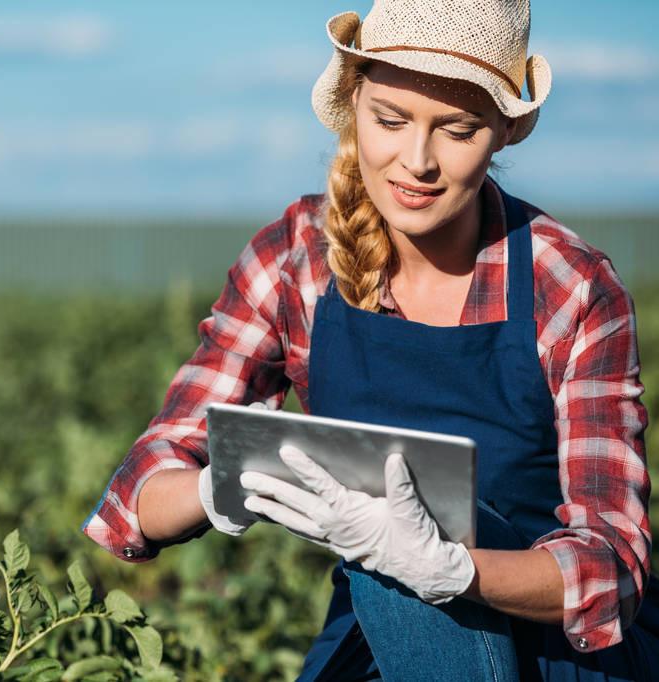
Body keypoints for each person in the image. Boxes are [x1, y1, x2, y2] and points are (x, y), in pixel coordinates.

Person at [81, 1, 659, 679]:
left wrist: (450, 569)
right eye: (390, 120)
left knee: (409, 528)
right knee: (388, 553)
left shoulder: (568, 286)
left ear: (502, 132)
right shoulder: (295, 258)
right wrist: (223, 484)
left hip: (562, 657)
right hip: (385, 635)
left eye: (457, 130)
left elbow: (612, 563)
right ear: (352, 105)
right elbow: (139, 496)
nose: (416, 161)